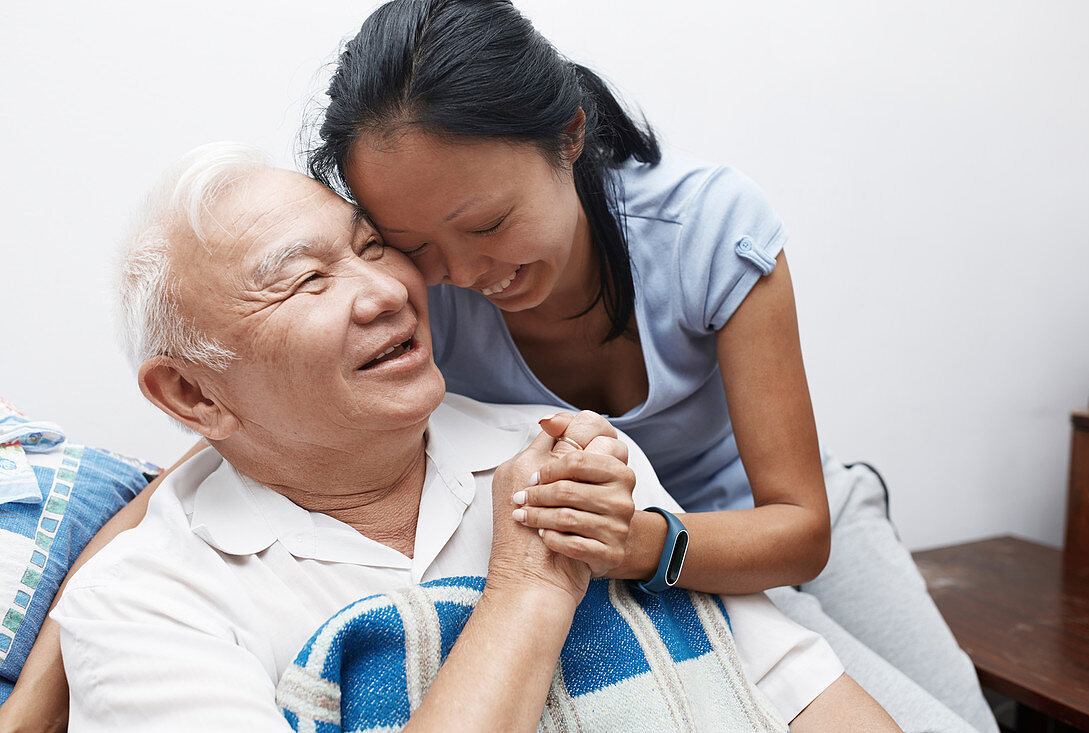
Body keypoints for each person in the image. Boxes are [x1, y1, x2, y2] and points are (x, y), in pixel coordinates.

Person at [302, 1, 997, 731]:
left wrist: (640, 541)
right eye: (418, 245)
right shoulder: (417, 298)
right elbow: (274, 381)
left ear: (569, 135)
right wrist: (171, 482)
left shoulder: (708, 229)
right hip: (637, 556)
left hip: (765, 523)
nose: (468, 272)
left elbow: (800, 527)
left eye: (488, 225)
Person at [40, 145, 897, 730]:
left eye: (374, 245)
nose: (382, 292)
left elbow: (800, 695)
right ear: (191, 392)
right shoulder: (144, 603)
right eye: (305, 281)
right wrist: (527, 589)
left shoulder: (566, 454)